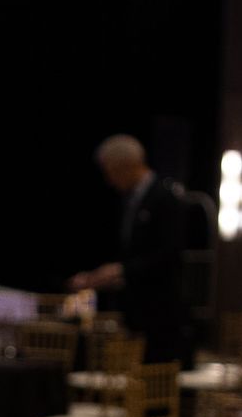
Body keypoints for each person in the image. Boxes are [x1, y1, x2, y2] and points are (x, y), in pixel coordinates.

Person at [69, 133, 189, 361]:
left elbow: (169, 253)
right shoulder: (131, 200)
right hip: (136, 310)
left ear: (127, 166)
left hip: (160, 313)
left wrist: (122, 270)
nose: (110, 181)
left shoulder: (164, 197)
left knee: (153, 376)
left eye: (111, 172)